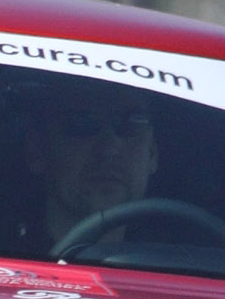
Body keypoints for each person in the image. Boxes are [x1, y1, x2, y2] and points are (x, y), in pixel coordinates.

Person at [23, 95, 157, 250]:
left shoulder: (180, 261)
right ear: (37, 151)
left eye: (130, 124)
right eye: (80, 123)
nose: (108, 149)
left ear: (152, 154)